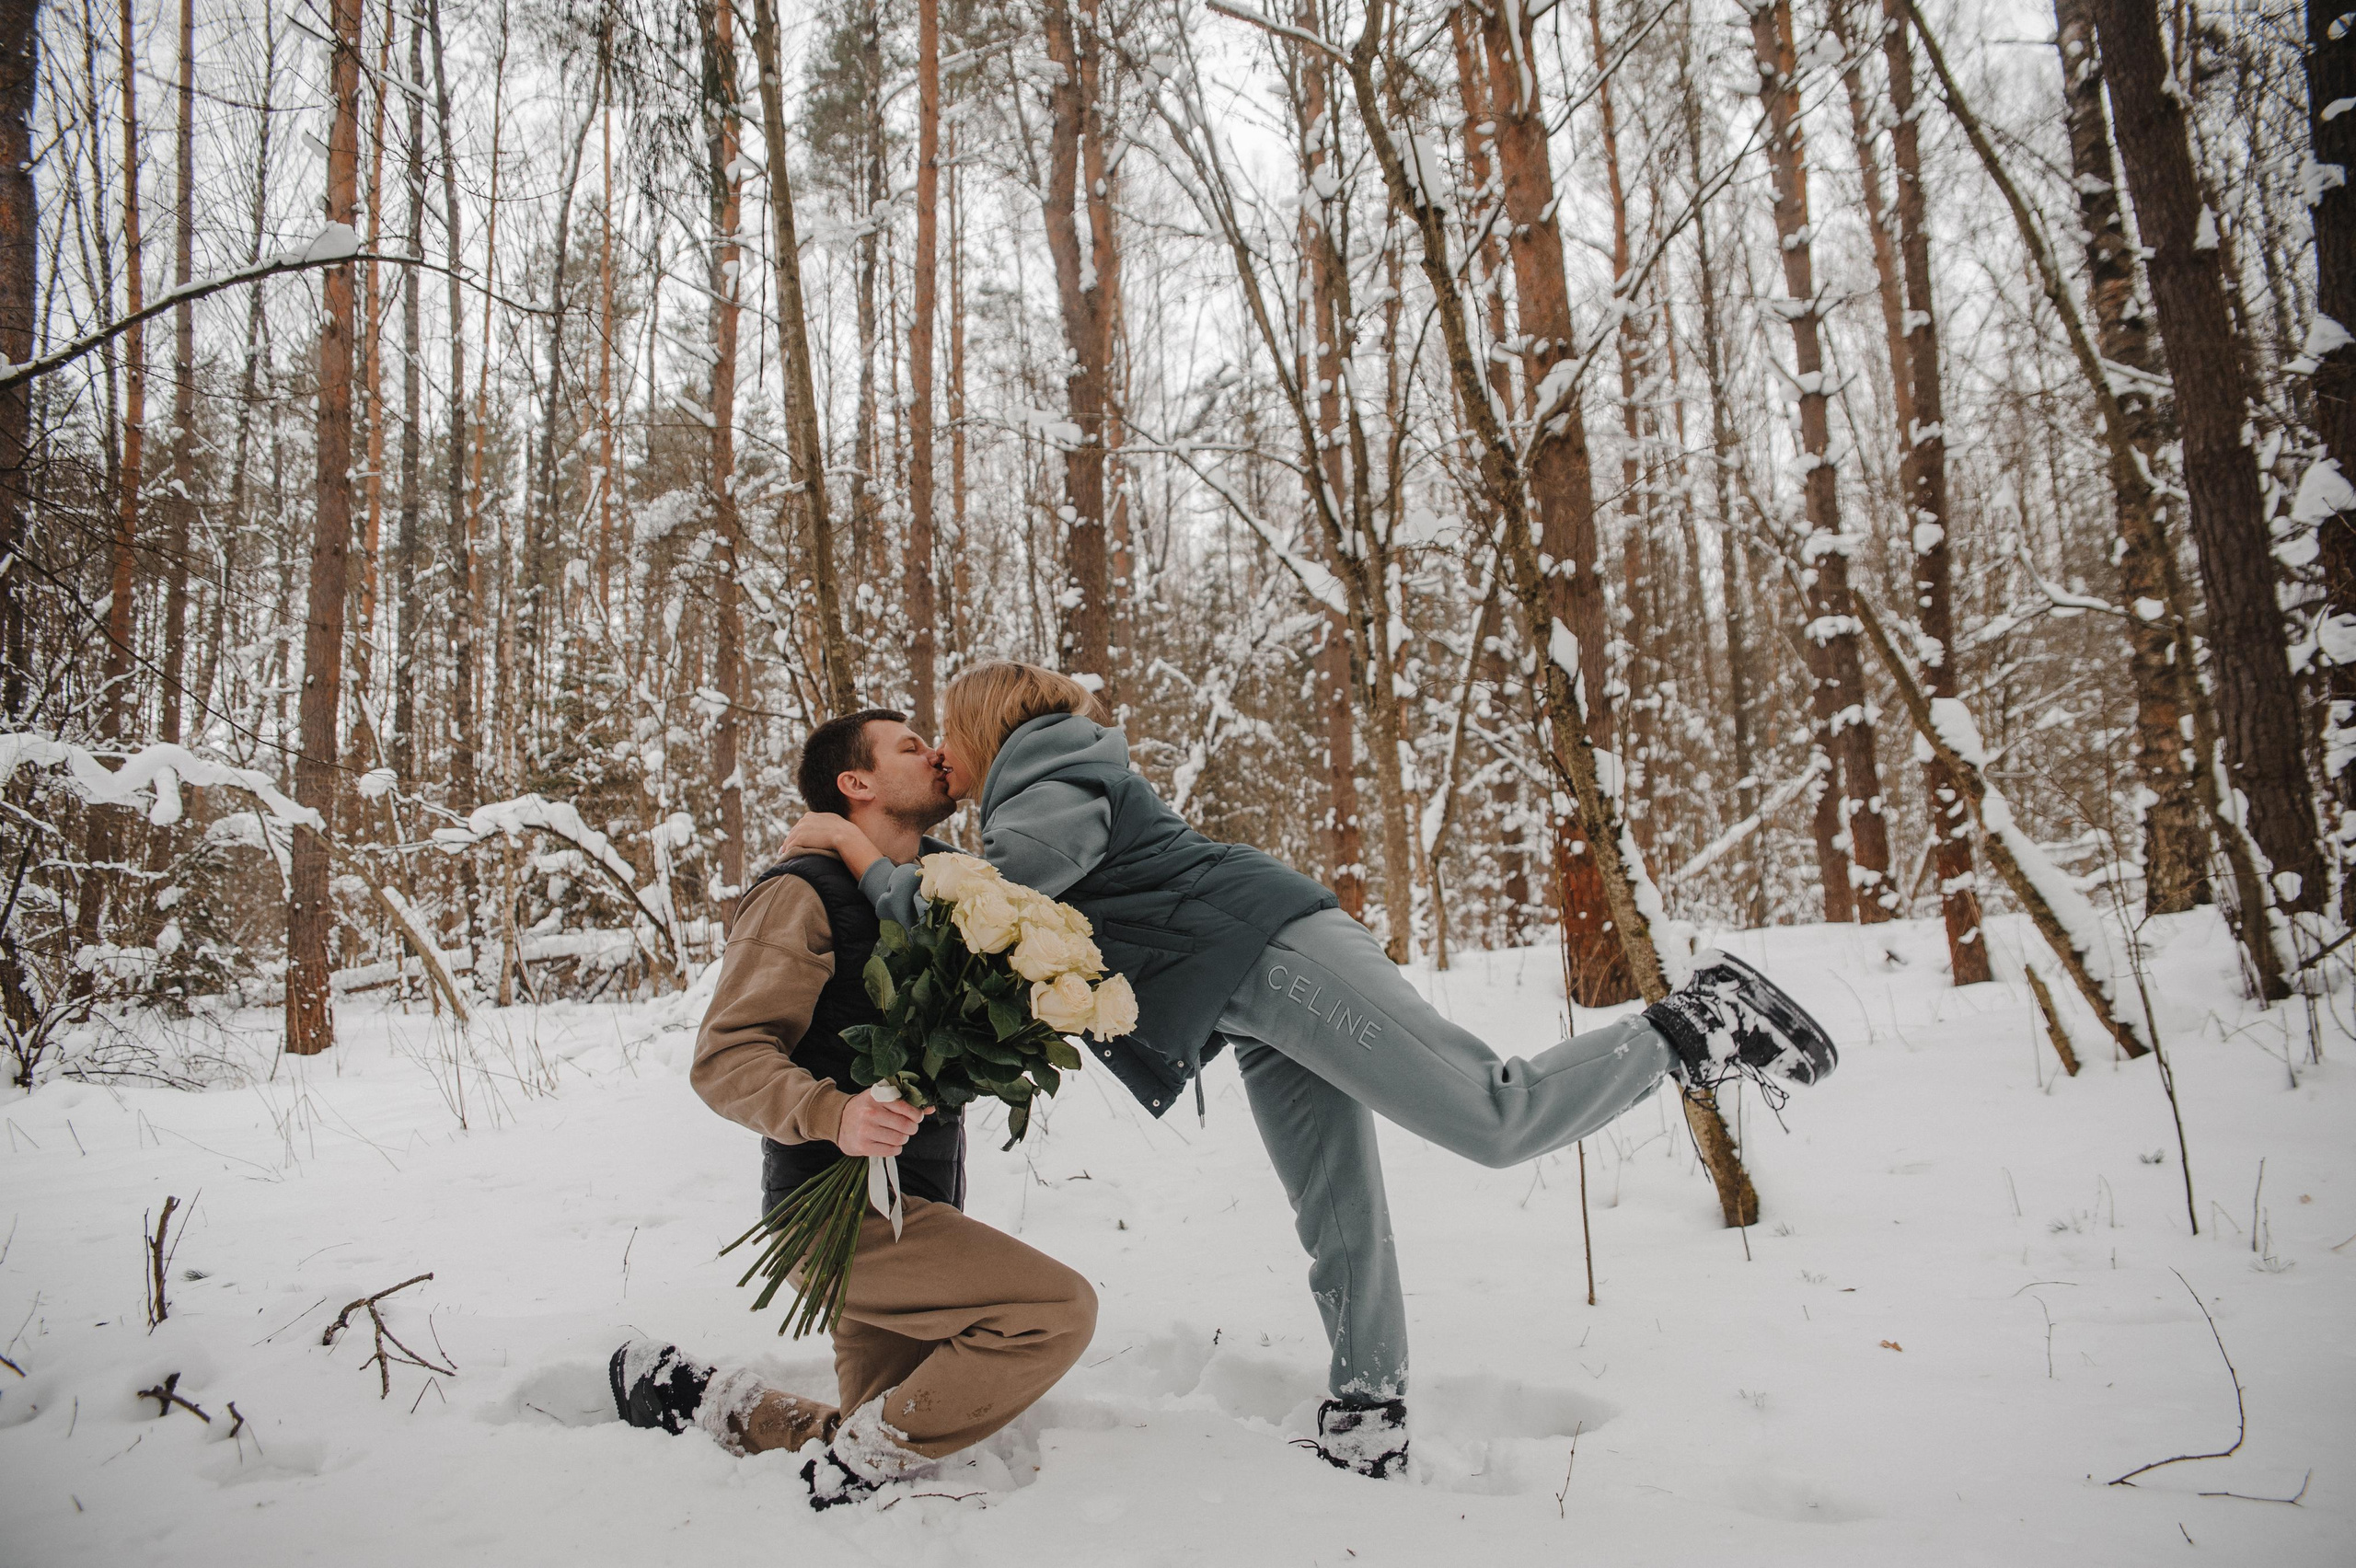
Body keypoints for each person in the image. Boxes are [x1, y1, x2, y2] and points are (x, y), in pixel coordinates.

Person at [780, 662, 1837, 1480]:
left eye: (942, 739)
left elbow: (992, 909)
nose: (942, 762)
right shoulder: (1044, 770)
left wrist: (858, 850)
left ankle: (1696, 1023)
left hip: (1273, 959)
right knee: (1336, 1207)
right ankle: (1367, 1409)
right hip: (1245, 995)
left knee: (1492, 1117)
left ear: (982, 723)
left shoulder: (1044, 761)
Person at [610, 708, 1098, 1510]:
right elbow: (726, 1056)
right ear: (856, 783)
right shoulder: (801, 894)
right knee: (1051, 1312)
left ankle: (699, 1395)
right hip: (837, 1217)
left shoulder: (955, 888)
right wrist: (831, 1112)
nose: (937, 755)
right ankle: (850, 1471)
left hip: (926, 1202)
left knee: (889, 1421)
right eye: (911, 747)